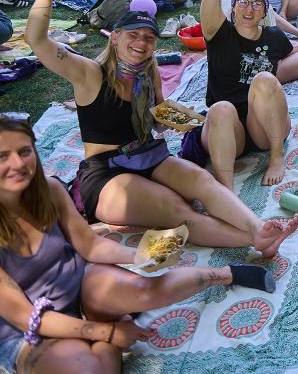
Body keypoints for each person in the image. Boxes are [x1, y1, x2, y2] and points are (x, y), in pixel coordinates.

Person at [24, 0, 298, 252]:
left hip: (148, 155)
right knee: (177, 209)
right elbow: (37, 40)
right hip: (107, 171)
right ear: (115, 36)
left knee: (203, 182)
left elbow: (157, 116)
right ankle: (257, 241)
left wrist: (184, 121)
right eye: (133, 34)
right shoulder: (91, 74)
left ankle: (257, 226)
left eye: (148, 37)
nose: (141, 42)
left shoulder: (147, 72)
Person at [0, 118, 282, 374]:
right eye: (3, 156)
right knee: (89, 368)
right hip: (31, 330)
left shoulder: (48, 190)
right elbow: (27, 319)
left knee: (147, 291)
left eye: (24, 151)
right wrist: (107, 333)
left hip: (79, 286)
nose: (18, 164)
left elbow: (90, 246)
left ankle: (227, 273)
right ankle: (109, 322)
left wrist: (142, 255)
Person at [184, 0, 294, 188]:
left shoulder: (274, 36)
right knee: (220, 109)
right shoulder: (218, 34)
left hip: (259, 129)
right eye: (243, 2)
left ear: (265, 10)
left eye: (257, 4)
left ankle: (276, 158)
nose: (249, 9)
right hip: (227, 129)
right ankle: (226, 191)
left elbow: (282, 72)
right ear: (232, 6)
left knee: (266, 79)